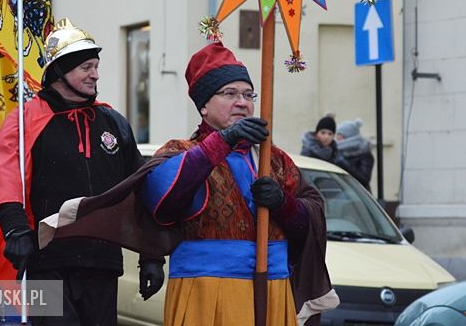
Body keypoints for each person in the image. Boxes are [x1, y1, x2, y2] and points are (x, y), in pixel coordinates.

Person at [0, 19, 165, 325]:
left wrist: (151, 256)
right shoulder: (26, 122)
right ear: (59, 72)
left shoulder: (113, 122)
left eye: (96, 66)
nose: (95, 74)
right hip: (48, 262)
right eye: (86, 67)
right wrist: (15, 230)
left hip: (103, 263)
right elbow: (5, 177)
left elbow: (139, 190)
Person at [142, 41, 338, 325]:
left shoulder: (276, 159)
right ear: (204, 107)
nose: (243, 102)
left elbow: (311, 218)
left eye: (248, 94)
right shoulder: (181, 151)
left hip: (272, 290)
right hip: (207, 292)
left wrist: (284, 204)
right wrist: (222, 141)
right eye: (230, 93)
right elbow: (161, 197)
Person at [335, 119, 374, 191]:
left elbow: (364, 179)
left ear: (349, 137)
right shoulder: (337, 151)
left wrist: (343, 162)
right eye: (337, 135)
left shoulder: (364, 153)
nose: (337, 138)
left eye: (340, 136)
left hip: (358, 196)